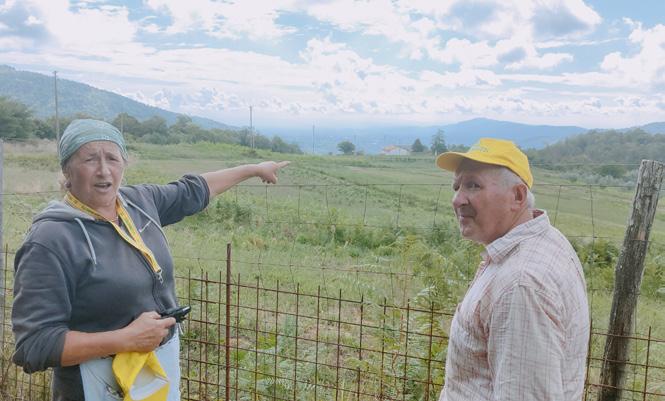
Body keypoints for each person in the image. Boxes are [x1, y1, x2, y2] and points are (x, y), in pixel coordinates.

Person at [11, 119, 289, 401]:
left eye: (112, 158)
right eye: (90, 159)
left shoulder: (139, 203)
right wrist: (125, 339)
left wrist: (254, 169)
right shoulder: (50, 241)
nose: (104, 170)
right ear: (67, 170)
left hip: (154, 373)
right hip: (95, 385)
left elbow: (194, 190)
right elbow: (34, 345)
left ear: (124, 164)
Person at [435, 138, 589, 401]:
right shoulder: (543, 241)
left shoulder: (521, 284)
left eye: (473, 185)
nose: (457, 199)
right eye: (457, 186)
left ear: (517, 196)